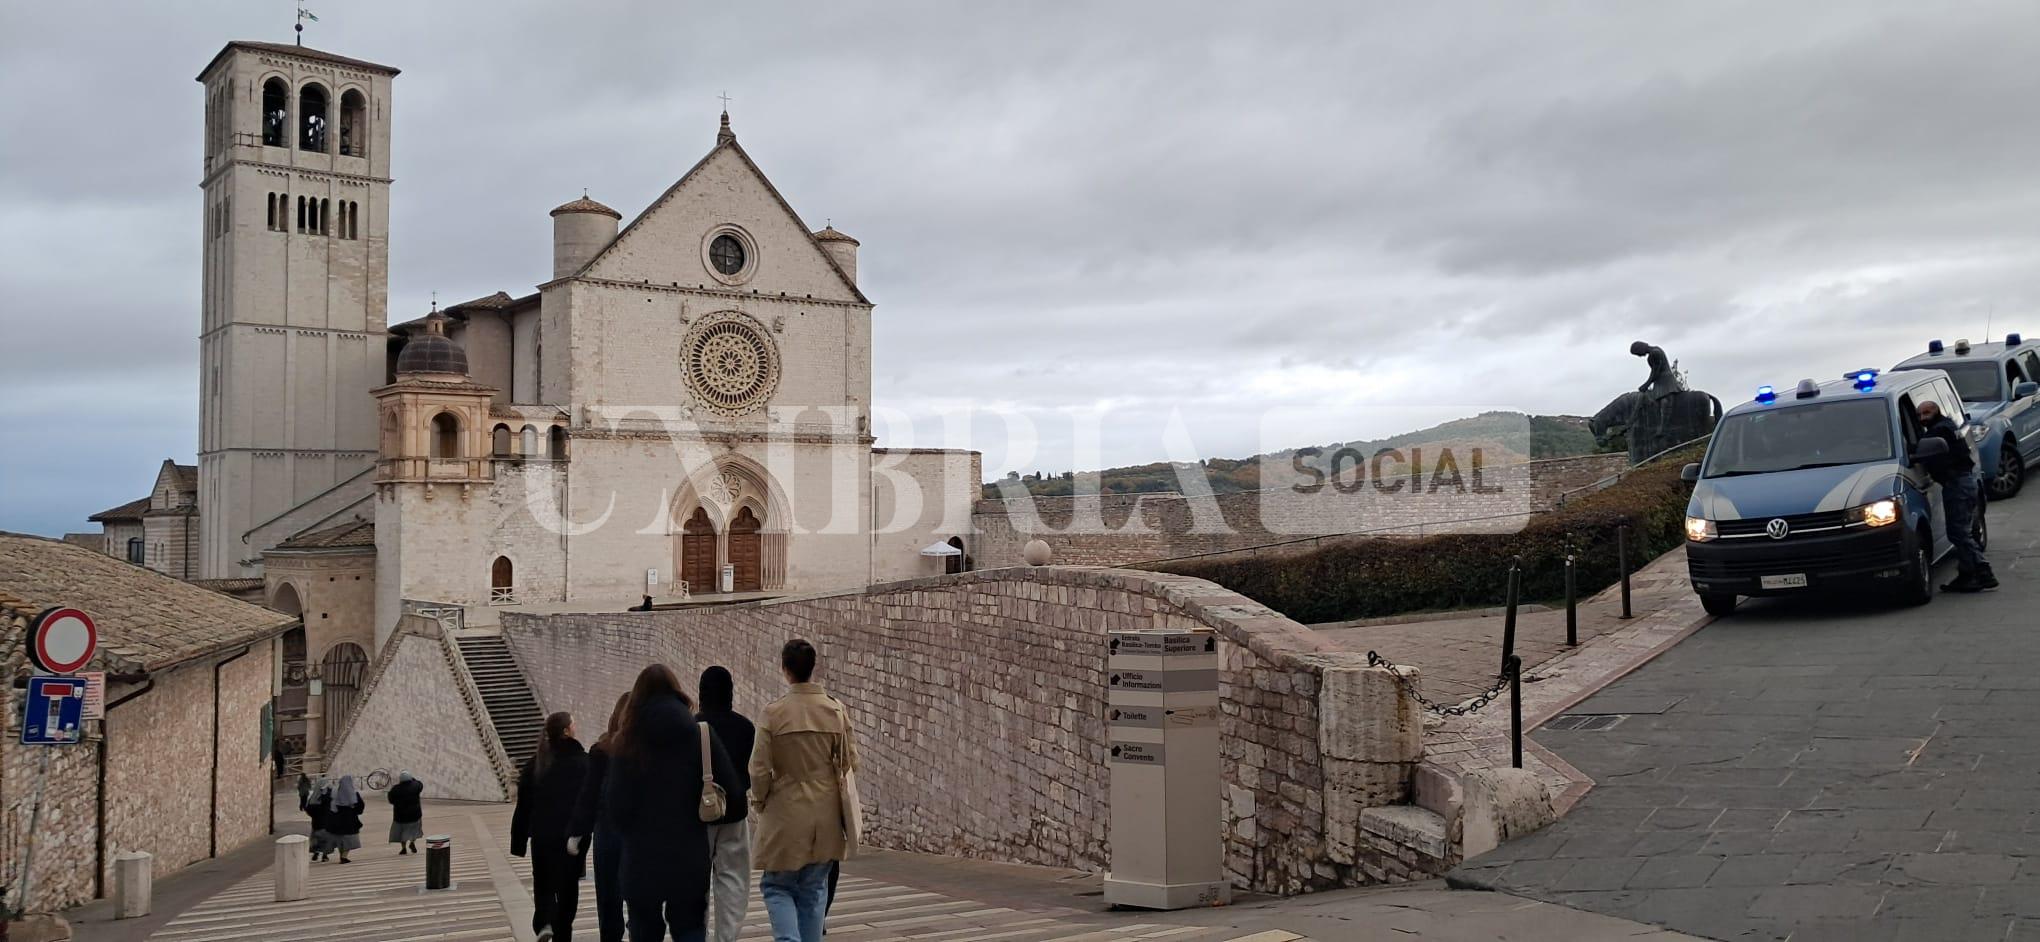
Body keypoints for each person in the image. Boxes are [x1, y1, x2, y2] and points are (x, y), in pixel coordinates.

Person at [608, 664, 737, 942]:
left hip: (641, 863)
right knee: (690, 928)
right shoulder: (701, 735)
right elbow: (735, 799)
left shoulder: (624, 742)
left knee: (643, 929)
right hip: (688, 860)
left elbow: (616, 810)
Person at [751, 640, 859, 942]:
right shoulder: (836, 711)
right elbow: (851, 762)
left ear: (785, 670)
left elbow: (758, 769)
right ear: (813, 668)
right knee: (814, 889)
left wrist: (759, 801)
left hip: (785, 810)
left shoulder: (773, 714)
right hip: (825, 814)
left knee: (777, 885)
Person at [513, 712, 591, 942]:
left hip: (542, 837)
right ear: (566, 731)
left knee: (543, 882)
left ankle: (545, 921)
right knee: (567, 888)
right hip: (570, 839)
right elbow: (588, 801)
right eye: (573, 724)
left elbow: (523, 805)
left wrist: (518, 841)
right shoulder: (582, 763)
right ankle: (562, 932)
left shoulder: (535, 763)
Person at [697, 667, 755, 942]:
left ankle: (699, 934)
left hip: (698, 815)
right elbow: (749, 773)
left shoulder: (692, 727)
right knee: (733, 879)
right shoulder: (745, 727)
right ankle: (726, 936)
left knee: (697, 882)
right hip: (734, 812)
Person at [571, 694, 632, 942]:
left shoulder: (600, 750)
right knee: (642, 898)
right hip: (639, 832)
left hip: (607, 832)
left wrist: (577, 832)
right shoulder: (647, 750)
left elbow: (588, 795)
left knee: (608, 897)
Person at [1918, 401, 1997, 591]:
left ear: (1936, 411)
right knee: (1962, 530)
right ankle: (1967, 575)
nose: (1922, 418)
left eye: (1926, 413)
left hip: (1957, 484)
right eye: (1919, 415)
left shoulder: (1939, 430)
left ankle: (1983, 569)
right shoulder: (1949, 425)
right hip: (1964, 482)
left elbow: (1930, 451)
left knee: (1958, 532)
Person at [325, 774, 366, 864]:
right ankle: (344, 857)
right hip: (350, 820)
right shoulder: (354, 794)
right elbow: (360, 807)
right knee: (349, 839)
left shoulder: (335, 793)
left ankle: (342, 856)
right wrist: (355, 810)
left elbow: (331, 806)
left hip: (337, 821)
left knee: (341, 839)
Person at [388, 771, 425, 854]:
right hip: (415, 814)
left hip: (400, 816)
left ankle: (403, 848)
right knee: (414, 830)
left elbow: (391, 800)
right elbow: (420, 784)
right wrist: (413, 779)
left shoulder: (396, 789)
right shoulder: (415, 786)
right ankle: (412, 843)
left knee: (402, 832)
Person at [301, 774, 333, 862]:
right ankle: (325, 855)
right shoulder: (327, 796)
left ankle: (316, 853)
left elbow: (308, 809)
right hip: (326, 822)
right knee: (325, 839)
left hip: (316, 822)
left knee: (316, 838)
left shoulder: (313, 797)